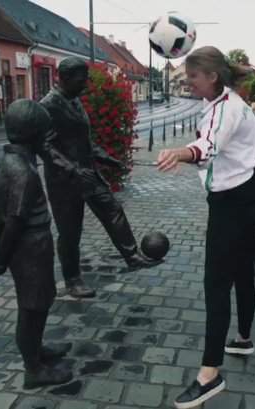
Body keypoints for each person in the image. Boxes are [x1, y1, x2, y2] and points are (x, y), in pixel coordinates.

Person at [156, 46, 255, 409]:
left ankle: (209, 375)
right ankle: (243, 338)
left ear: (212, 76)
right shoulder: (236, 104)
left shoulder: (225, 108)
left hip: (230, 204)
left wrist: (180, 153)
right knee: (242, 272)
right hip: (248, 195)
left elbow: (206, 147)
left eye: (193, 76)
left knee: (216, 284)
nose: (188, 82)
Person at [39, 57, 160, 299]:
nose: (86, 84)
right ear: (65, 78)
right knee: (70, 232)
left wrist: (107, 158)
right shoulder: (48, 106)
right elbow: (45, 146)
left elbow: (85, 142)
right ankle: (72, 280)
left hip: (89, 174)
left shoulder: (75, 100)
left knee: (113, 210)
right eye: (81, 79)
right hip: (64, 181)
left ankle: (132, 256)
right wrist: (72, 169)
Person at [0, 99, 72, 389]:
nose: (48, 140)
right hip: (31, 246)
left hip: (23, 248)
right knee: (32, 307)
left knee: (39, 301)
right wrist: (0, 257)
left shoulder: (1, 163)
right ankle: (33, 368)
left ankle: (36, 349)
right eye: (45, 134)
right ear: (34, 134)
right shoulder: (25, 172)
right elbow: (14, 220)